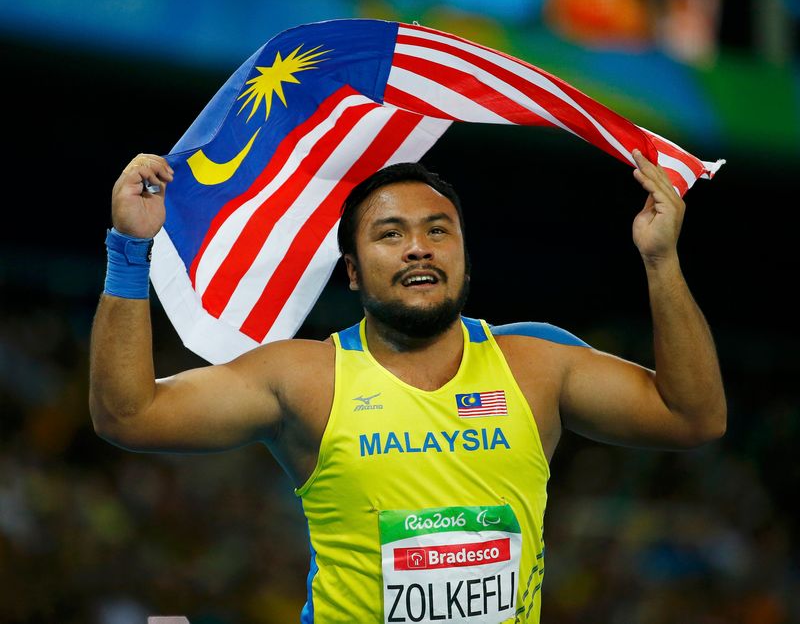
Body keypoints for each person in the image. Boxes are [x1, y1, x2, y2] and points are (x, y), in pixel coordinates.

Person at [89, 150, 726, 623]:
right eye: (390, 234)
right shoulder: (304, 377)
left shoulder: (536, 363)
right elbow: (130, 416)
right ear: (353, 272)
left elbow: (693, 416)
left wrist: (661, 261)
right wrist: (128, 251)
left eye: (437, 230)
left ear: (464, 255)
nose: (418, 248)